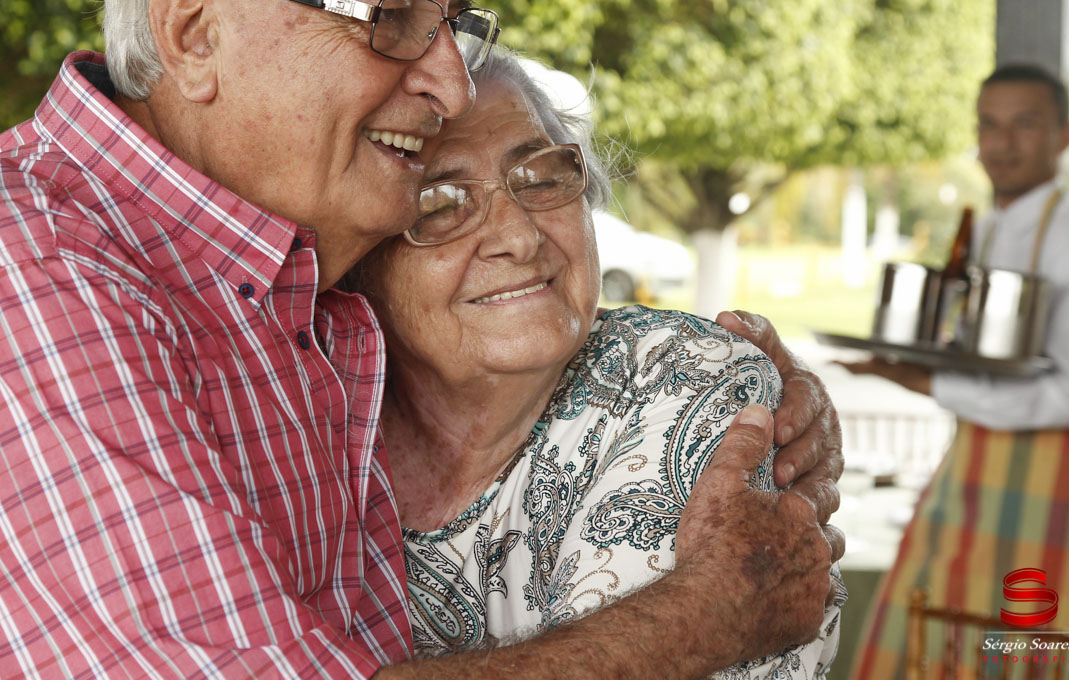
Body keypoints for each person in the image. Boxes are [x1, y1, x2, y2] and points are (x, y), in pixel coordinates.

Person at [0, 0, 842, 677]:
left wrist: (736, 370)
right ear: (194, 31)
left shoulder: (292, 288)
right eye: (393, 20)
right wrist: (707, 614)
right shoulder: (25, 270)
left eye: (451, 26)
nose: (451, 83)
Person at [350, 47, 845, 677]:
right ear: (359, 259)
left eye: (541, 176)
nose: (520, 236)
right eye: (440, 202)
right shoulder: (306, 409)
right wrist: (698, 614)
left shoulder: (682, 383)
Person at [846, 63, 1069, 679]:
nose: (1001, 143)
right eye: (989, 125)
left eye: (1024, 125)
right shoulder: (983, 230)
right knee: (929, 633)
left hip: (1058, 488)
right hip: (968, 470)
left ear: (1065, 137)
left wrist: (927, 382)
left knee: (1026, 653)